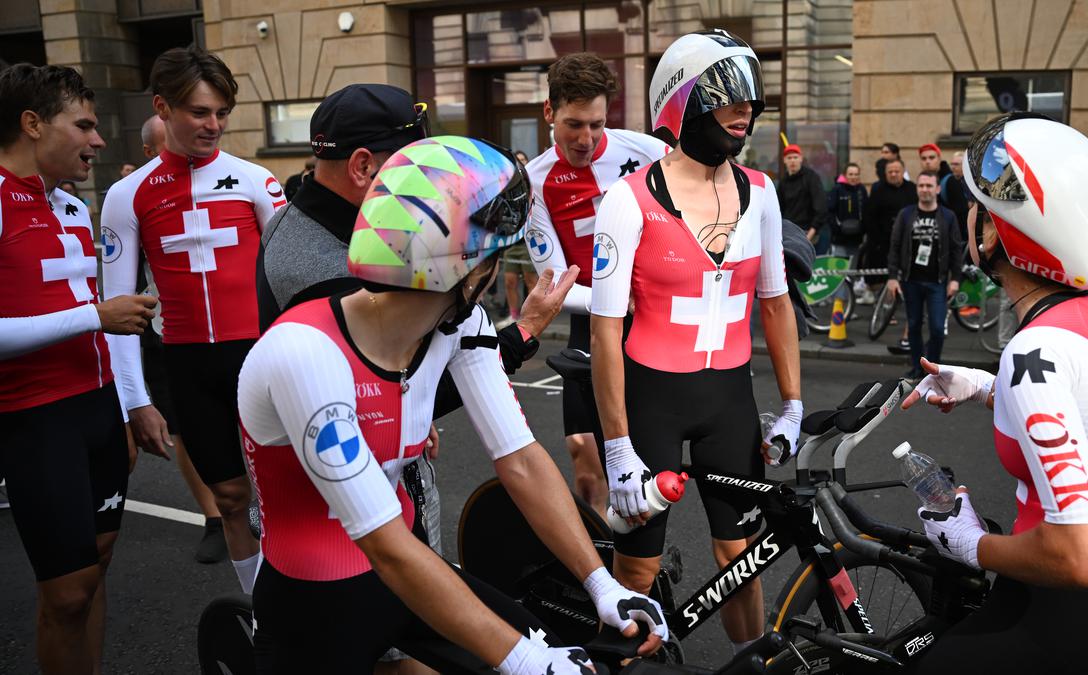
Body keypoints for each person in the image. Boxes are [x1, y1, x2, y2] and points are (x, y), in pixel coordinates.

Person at [239, 135, 666, 673]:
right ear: (465, 267)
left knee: (561, 647)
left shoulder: (460, 324)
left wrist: (602, 585)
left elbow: (520, 458)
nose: (495, 276)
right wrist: (524, 662)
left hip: (411, 574)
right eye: (494, 258)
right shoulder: (303, 353)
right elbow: (385, 544)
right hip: (316, 604)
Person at [902, 112, 1088, 674]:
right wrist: (981, 386)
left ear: (999, 230)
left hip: (1080, 608)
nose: (967, 214)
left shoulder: (1036, 352)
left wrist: (968, 542)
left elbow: (1080, 558)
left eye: (976, 207)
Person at [592, 29, 803, 655]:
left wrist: (792, 403)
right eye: (726, 99)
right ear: (679, 105)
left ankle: (753, 662)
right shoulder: (626, 201)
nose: (745, 113)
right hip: (651, 400)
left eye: (751, 101)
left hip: (729, 400)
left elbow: (776, 302)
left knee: (741, 560)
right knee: (637, 570)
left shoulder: (761, 192)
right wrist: (618, 448)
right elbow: (606, 330)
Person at [101, 46, 286, 595]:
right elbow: (119, 307)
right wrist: (135, 400)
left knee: (290, 492)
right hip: (188, 363)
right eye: (200, 113)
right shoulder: (125, 196)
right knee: (230, 499)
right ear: (163, 108)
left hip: (262, 356)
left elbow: (292, 281)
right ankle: (262, 613)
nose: (214, 125)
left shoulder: (256, 180)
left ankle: (307, 603)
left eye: (222, 113)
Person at [0, 63, 159, 675]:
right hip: (33, 419)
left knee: (90, 577)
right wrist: (96, 316)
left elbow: (105, 323)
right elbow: (95, 318)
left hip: (97, 412)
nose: (98, 140)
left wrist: (128, 406)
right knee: (64, 594)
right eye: (84, 125)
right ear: (33, 124)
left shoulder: (69, 206)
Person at [522, 53, 667, 516]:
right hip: (592, 322)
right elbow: (556, 282)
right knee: (585, 456)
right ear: (549, 112)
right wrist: (613, 302)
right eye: (573, 125)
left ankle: (637, 558)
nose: (586, 139)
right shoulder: (535, 182)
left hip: (649, 323)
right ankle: (600, 559)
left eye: (597, 125)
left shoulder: (647, 152)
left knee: (641, 456)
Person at [109, 110, 227, 563]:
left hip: (232, 329)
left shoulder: (229, 179)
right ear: (147, 151)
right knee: (186, 428)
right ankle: (213, 516)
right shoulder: (132, 196)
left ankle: (254, 510)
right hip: (165, 332)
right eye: (163, 144)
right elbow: (119, 283)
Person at [885, 170, 962, 379]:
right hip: (911, 281)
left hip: (937, 282)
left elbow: (956, 250)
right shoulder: (906, 214)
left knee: (937, 328)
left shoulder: (948, 216)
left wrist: (955, 279)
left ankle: (932, 368)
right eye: (921, 186)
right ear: (917, 188)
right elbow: (895, 246)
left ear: (937, 189)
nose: (925, 190)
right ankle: (918, 366)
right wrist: (893, 277)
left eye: (929, 186)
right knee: (914, 326)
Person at [863, 157, 917, 350]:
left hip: (908, 242)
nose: (893, 174)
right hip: (882, 241)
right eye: (890, 172)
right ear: (885, 174)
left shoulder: (912, 189)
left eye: (897, 171)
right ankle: (885, 308)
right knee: (878, 278)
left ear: (903, 170)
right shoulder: (878, 191)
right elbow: (869, 216)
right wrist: (877, 239)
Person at [826, 161, 870, 302]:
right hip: (839, 240)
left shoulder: (862, 190)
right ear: (845, 175)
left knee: (850, 274)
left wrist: (863, 230)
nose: (854, 177)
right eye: (851, 174)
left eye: (856, 174)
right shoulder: (837, 190)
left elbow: (866, 213)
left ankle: (848, 306)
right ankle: (839, 306)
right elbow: (830, 213)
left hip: (855, 240)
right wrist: (837, 229)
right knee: (839, 274)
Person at [777, 143, 828, 253]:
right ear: (784, 160)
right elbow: (778, 209)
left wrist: (809, 236)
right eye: (789, 158)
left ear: (801, 159)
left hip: (808, 233)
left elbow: (821, 208)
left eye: (795, 157)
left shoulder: (811, 178)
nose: (792, 161)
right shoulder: (783, 181)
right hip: (788, 234)